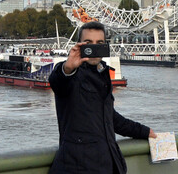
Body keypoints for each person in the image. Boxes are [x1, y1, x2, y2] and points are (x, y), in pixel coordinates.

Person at [48, 21, 157, 173]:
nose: (94, 47)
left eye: (99, 43)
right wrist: (67, 67)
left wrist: (144, 131)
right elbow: (57, 82)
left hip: (105, 165)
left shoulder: (101, 75)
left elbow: (111, 118)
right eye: (88, 43)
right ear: (79, 45)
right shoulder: (71, 75)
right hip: (76, 168)